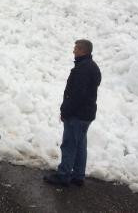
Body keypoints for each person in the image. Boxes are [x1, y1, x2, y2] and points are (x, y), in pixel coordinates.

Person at [44, 39, 102, 187]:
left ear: (83, 51)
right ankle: (78, 176)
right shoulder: (91, 66)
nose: (73, 51)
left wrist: (66, 111)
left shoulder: (83, 69)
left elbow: (77, 95)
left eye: (76, 48)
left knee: (69, 145)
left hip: (78, 114)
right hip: (86, 114)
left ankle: (63, 175)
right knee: (80, 145)